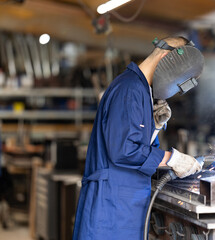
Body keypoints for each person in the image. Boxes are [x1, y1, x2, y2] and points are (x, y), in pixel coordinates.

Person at [72, 36, 204, 240]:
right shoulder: (129, 89)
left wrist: (154, 127)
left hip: (123, 205)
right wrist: (172, 158)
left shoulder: (141, 90)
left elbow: (137, 145)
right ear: (167, 57)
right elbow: (123, 150)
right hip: (110, 207)